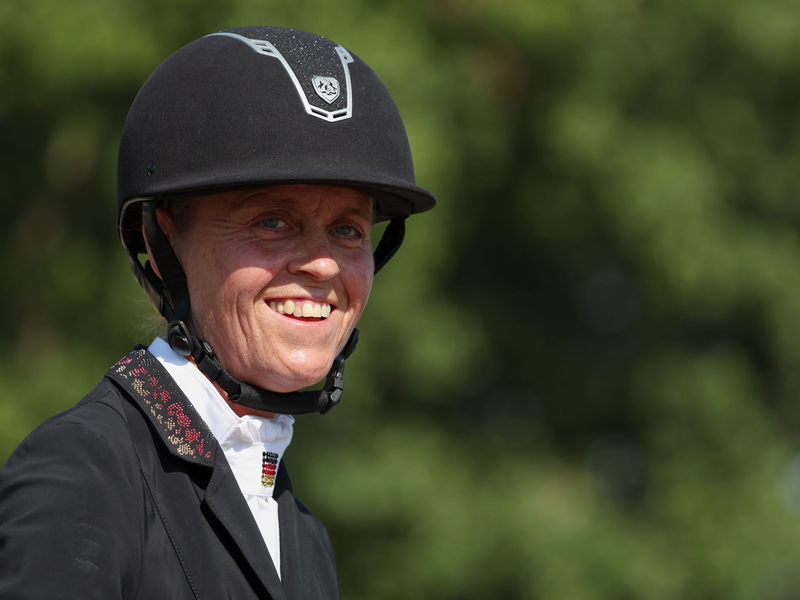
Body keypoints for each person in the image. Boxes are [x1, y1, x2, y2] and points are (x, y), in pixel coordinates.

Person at [0, 26, 435, 599]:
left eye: (347, 230)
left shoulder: (303, 536)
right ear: (164, 243)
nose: (325, 266)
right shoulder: (83, 472)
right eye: (272, 222)